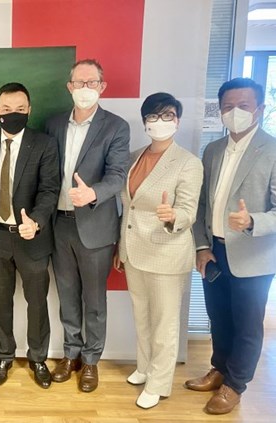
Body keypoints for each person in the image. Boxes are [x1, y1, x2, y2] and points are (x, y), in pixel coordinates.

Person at [186, 77, 276, 415]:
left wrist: (252, 221)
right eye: (228, 107)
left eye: (243, 105)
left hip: (253, 254)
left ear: (259, 109)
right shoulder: (212, 150)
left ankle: (235, 385)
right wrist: (201, 247)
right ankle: (219, 369)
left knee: (247, 325)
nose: (234, 112)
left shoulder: (272, 150)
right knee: (219, 317)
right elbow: (201, 205)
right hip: (215, 251)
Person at [112, 93, 203, 409]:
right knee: (142, 316)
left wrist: (173, 216)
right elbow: (128, 208)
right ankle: (144, 367)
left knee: (165, 323)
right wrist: (120, 246)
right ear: (145, 121)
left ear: (177, 120)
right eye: (153, 116)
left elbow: (189, 210)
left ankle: (159, 382)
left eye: (167, 116)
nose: (160, 122)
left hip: (167, 252)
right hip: (133, 251)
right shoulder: (134, 156)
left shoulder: (189, 163)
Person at [45, 59, 130, 392]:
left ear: (102, 87)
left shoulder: (116, 127)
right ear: (69, 87)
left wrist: (93, 193)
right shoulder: (53, 124)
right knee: (67, 295)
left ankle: (91, 360)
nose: (84, 88)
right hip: (59, 225)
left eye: (91, 82)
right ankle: (71, 354)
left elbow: (118, 175)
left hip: (95, 226)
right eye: (79, 83)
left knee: (94, 300)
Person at [0, 82, 60, 389]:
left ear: (29, 110)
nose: (13, 114)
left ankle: (38, 358)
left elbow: (50, 189)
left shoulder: (44, 144)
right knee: (0, 301)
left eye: (20, 109)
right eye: (7, 109)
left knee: (36, 301)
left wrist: (35, 222)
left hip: (32, 237)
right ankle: (4, 356)